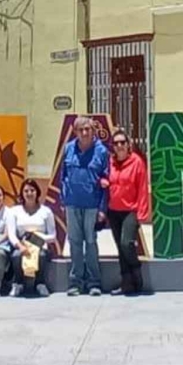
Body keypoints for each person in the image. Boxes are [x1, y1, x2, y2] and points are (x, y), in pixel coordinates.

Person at [59, 116, 109, 296]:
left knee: (91, 242)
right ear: (76, 132)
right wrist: (63, 199)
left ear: (93, 130)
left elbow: (106, 180)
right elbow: (62, 176)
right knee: (74, 243)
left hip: (92, 205)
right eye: (81, 130)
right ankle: (76, 283)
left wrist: (102, 209)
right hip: (72, 204)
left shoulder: (102, 151)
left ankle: (94, 283)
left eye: (88, 129)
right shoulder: (68, 149)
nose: (85, 133)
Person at [104, 128, 151, 295]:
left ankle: (136, 270)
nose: (119, 146)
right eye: (116, 143)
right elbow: (102, 177)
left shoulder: (137, 162)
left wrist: (142, 214)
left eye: (122, 142)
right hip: (113, 211)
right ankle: (127, 283)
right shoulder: (109, 162)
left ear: (128, 144)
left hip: (130, 210)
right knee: (120, 248)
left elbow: (142, 189)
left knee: (126, 243)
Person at [9, 178, 57, 297]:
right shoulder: (14, 211)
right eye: (26, 191)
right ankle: (18, 284)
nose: (29, 193)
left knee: (41, 255)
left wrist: (38, 238)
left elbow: (53, 235)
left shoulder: (46, 211)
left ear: (37, 192)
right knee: (16, 256)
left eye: (32, 190)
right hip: (22, 244)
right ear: (22, 193)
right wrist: (20, 246)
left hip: (40, 245)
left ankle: (40, 284)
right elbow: (11, 234)